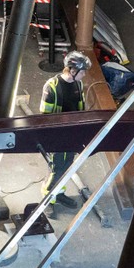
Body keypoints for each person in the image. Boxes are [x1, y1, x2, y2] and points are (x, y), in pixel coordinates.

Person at [40, 51, 90, 208]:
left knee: (67, 164)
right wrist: (49, 140)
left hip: (72, 133)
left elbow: (80, 106)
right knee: (57, 168)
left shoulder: (78, 84)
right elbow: (44, 116)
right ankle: (48, 199)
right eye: (82, 72)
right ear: (72, 71)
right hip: (57, 136)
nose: (84, 75)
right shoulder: (52, 87)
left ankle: (58, 193)